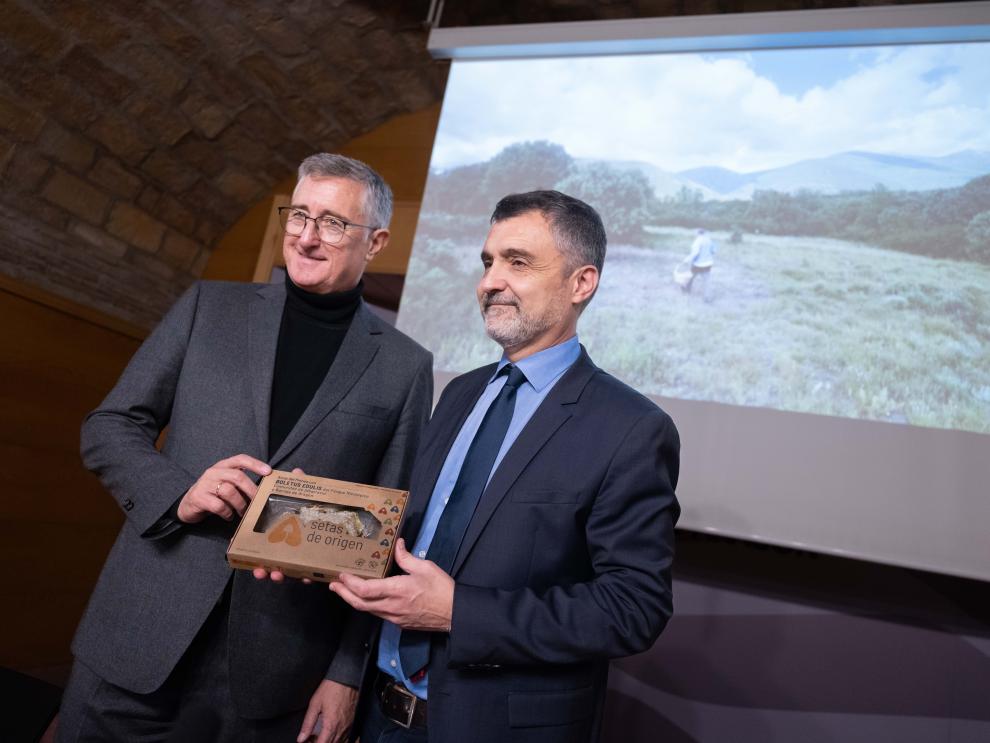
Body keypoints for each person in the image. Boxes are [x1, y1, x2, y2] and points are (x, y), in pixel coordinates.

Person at [57, 154, 433, 743]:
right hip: (138, 636)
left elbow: (387, 530)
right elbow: (109, 425)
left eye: (332, 223)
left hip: (273, 675)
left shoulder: (406, 367)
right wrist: (179, 494)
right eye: (299, 215)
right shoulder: (209, 307)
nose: (307, 237)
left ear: (377, 241)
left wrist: (344, 676)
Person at [332, 190, 681, 742]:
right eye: (488, 262)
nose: (490, 280)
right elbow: (414, 538)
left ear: (581, 283)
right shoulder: (459, 394)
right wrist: (312, 520)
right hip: (377, 715)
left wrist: (459, 613)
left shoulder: (631, 428)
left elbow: (633, 607)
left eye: (518, 262)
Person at [681, 228, 716, 301]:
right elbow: (714, 251)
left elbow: (695, 253)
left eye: (695, 233)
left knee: (691, 276)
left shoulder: (697, 241)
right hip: (708, 263)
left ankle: (686, 289)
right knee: (706, 280)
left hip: (698, 264)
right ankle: (707, 297)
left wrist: (686, 260)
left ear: (698, 233)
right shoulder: (709, 240)